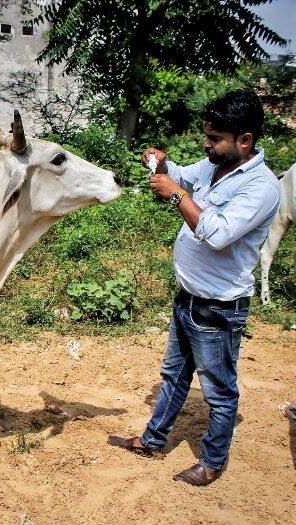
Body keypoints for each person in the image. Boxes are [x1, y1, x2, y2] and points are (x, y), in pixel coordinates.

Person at [108, 89, 281, 486]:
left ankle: (212, 462)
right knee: (174, 375)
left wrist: (176, 195)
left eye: (215, 138)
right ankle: (152, 440)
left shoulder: (261, 188)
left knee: (218, 390)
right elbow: (183, 174)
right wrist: (163, 164)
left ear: (245, 140)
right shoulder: (213, 166)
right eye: (207, 136)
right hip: (188, 297)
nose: (207, 144)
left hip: (218, 306)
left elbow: (217, 234)